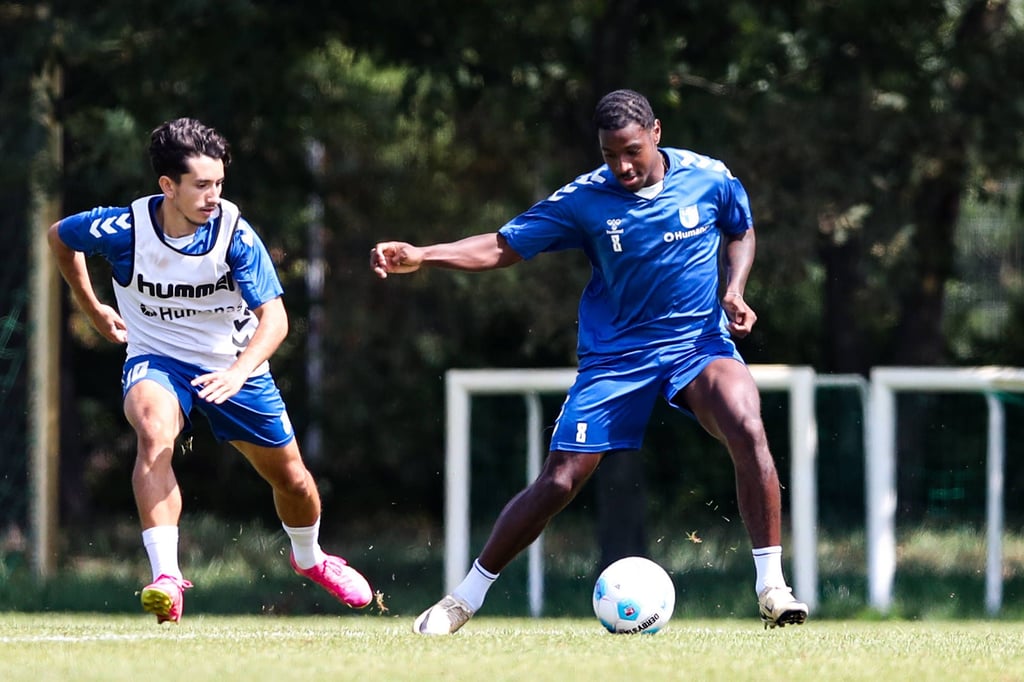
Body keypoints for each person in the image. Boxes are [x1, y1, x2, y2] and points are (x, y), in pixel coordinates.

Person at [371, 89, 808, 633]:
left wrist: (735, 289)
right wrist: (426, 254)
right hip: (616, 358)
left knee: (747, 424)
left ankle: (771, 585)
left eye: (631, 151)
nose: (621, 165)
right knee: (559, 482)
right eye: (609, 155)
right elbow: (506, 245)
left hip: (696, 344)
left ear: (656, 133)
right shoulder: (585, 200)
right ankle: (464, 598)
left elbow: (740, 229)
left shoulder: (709, 177)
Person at [48, 117, 373, 624]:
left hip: (233, 365)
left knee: (294, 481)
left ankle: (311, 559)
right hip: (156, 358)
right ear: (167, 186)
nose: (213, 196)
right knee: (154, 434)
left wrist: (240, 373)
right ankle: (166, 578)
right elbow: (60, 238)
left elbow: (276, 319)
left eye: (219, 183)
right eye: (201, 185)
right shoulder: (124, 228)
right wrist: (91, 309)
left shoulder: (235, 235)